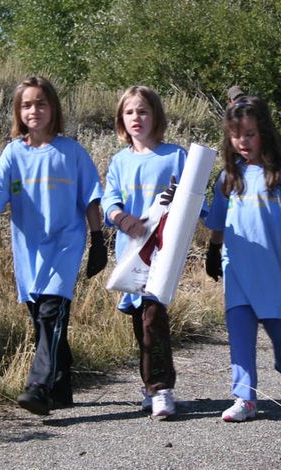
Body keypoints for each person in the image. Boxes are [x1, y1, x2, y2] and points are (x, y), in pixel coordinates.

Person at [0, 76, 107, 416]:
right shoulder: (14, 153)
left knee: (52, 314)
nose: (34, 110)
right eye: (27, 105)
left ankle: (38, 387)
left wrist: (98, 241)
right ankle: (62, 386)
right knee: (41, 318)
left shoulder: (71, 151)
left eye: (41, 103)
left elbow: (91, 198)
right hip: (29, 250)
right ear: (18, 111)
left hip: (66, 243)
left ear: (53, 108)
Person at [204, 96, 281, 422]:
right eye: (236, 135)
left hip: (271, 272)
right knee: (240, 333)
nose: (243, 142)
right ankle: (244, 398)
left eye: (250, 134)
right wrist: (214, 250)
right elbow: (217, 221)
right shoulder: (228, 179)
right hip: (237, 270)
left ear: (264, 134)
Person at [101, 85, 183, 419]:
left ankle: (160, 388)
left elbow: (194, 201)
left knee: (153, 317)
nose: (137, 117)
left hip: (163, 253)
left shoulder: (175, 155)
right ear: (122, 119)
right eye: (130, 112)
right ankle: (151, 386)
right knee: (141, 322)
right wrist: (120, 217)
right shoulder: (119, 161)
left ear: (156, 116)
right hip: (131, 255)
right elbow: (109, 200)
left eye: (144, 111)